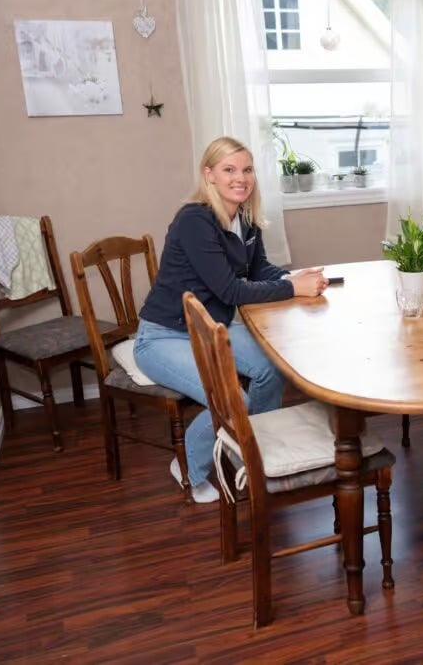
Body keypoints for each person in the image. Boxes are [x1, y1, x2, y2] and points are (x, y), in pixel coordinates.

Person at [135, 136, 328, 503]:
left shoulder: (245, 217)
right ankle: (188, 468)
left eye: (247, 169)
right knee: (229, 397)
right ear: (209, 174)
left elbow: (259, 269)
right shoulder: (195, 220)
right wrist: (293, 290)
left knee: (272, 368)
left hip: (214, 331)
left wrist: (294, 276)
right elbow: (231, 292)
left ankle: (258, 450)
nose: (240, 178)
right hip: (164, 336)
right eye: (229, 170)